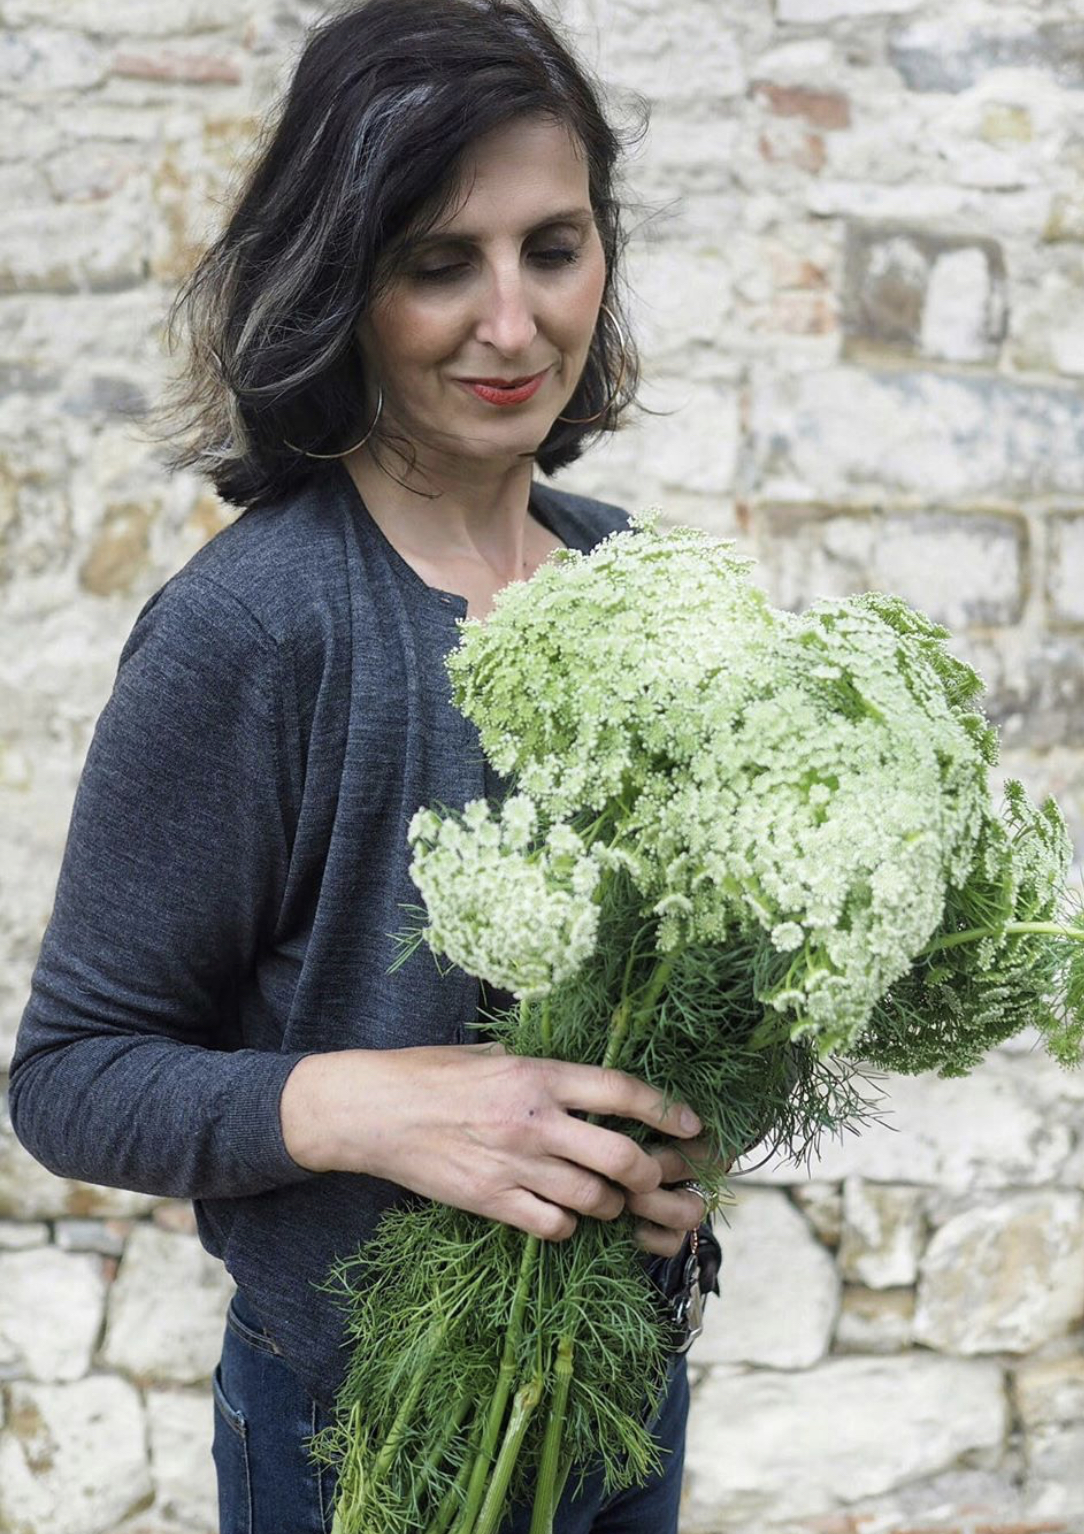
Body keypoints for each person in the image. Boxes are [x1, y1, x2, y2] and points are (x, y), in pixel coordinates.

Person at [7, 3, 720, 1529]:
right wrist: (366, 1108)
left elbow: (664, 1008)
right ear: (342, 284)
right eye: (437, 262)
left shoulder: (639, 590)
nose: (515, 323)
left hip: (617, 1388)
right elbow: (71, 1076)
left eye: (554, 245)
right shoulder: (256, 630)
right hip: (365, 1436)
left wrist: (680, 1125)